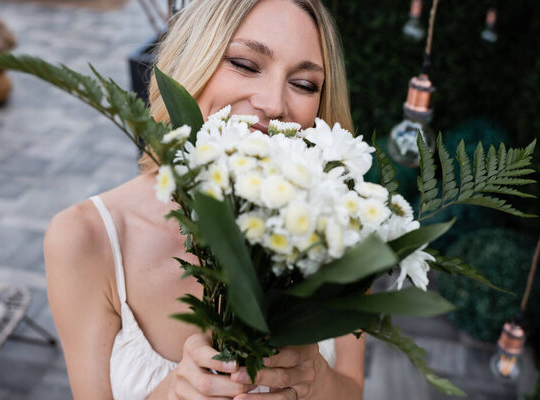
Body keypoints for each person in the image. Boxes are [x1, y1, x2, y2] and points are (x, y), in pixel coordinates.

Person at [44, 0, 365, 399]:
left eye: (303, 84)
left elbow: (352, 389)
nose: (274, 104)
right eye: (246, 64)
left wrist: (314, 379)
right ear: (190, 62)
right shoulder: (86, 237)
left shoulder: (339, 228)